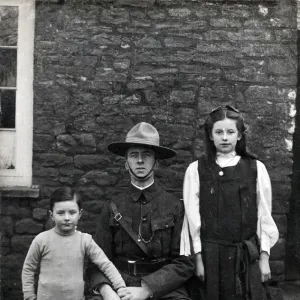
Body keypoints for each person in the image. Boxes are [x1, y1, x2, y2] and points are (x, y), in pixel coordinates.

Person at [180, 105, 279, 300]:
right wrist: (198, 259)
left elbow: (264, 216)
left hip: (246, 256)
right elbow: (191, 219)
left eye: (230, 132)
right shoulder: (196, 170)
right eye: (219, 132)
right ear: (210, 136)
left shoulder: (256, 168)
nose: (225, 137)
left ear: (239, 135)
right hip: (211, 257)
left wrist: (264, 258)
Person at [87, 122, 194, 300]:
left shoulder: (175, 206)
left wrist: (147, 289)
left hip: (163, 288)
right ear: (126, 164)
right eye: (133, 155)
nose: (139, 160)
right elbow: (97, 259)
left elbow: (184, 262)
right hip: (119, 283)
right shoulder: (112, 206)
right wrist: (107, 292)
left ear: (157, 163)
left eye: (147, 155)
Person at [22, 187, 126, 300]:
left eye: (72, 213)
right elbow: (28, 269)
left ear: (80, 214)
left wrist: (120, 286)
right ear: (51, 215)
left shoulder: (85, 240)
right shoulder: (41, 240)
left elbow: (105, 264)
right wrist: (29, 296)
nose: (67, 218)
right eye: (61, 213)